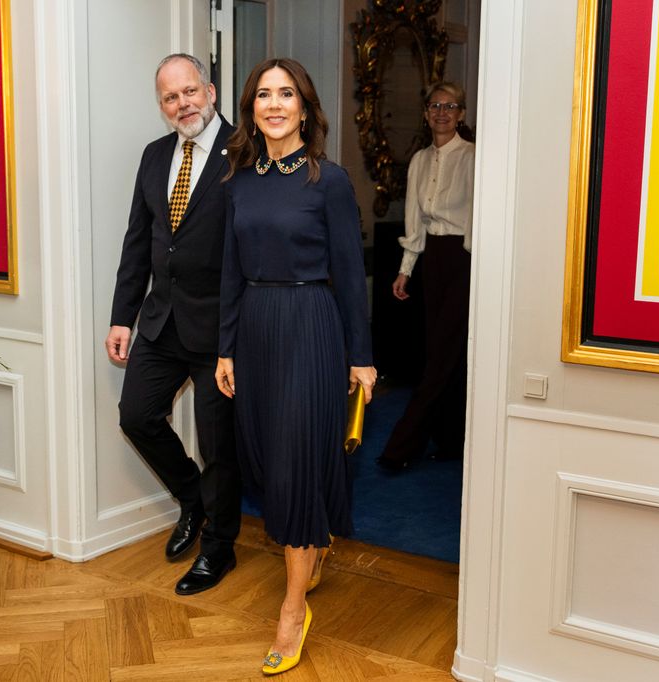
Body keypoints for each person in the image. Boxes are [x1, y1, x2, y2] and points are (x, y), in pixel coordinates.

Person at [215, 58, 376, 675]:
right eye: (263, 95)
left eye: (286, 94)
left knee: (294, 465)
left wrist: (361, 356)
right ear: (250, 109)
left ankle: (291, 609)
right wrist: (226, 346)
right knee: (262, 456)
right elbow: (231, 269)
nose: (274, 104)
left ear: (305, 108)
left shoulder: (327, 180)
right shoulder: (239, 181)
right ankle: (313, 543)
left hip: (311, 323)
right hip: (255, 327)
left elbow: (350, 274)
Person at [106, 54, 240, 596]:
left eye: (189, 92)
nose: (182, 103)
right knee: (136, 416)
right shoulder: (154, 155)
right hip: (161, 322)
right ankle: (193, 498)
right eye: (170, 97)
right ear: (161, 106)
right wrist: (122, 317)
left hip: (220, 331)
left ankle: (220, 549)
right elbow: (138, 241)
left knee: (218, 446)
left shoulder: (245, 153)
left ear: (209, 91)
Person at [376, 81, 474, 471]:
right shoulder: (418, 160)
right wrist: (405, 271)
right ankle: (451, 441)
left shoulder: (473, 157)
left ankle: (401, 447)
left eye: (450, 106)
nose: (442, 113)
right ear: (426, 112)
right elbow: (415, 224)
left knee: (440, 359)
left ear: (461, 114)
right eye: (435, 105)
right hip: (432, 259)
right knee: (441, 352)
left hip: (464, 260)